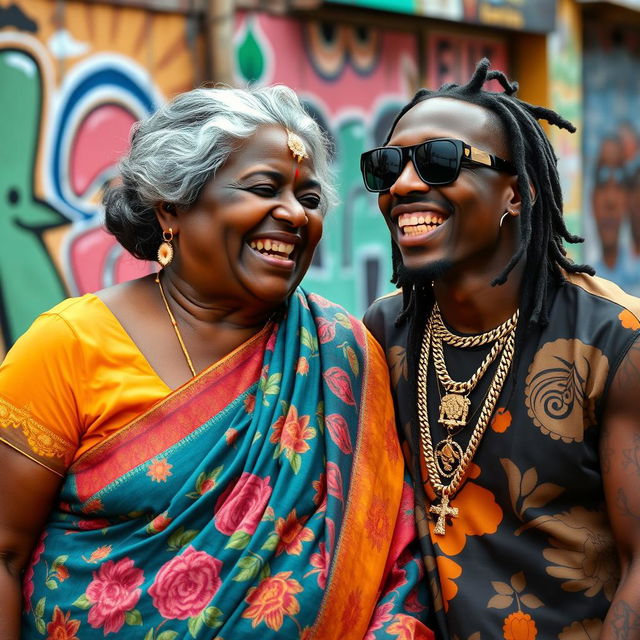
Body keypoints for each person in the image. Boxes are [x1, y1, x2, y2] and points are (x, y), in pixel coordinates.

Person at [0, 86, 434, 639]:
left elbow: (395, 565)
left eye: (308, 198)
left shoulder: (341, 353)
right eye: (263, 188)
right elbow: (5, 553)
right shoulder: (69, 345)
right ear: (171, 207)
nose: (294, 214)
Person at [362, 58, 640, 638]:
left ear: (516, 193)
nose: (406, 184)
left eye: (439, 161)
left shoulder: (613, 340)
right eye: (387, 166)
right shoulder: (385, 334)